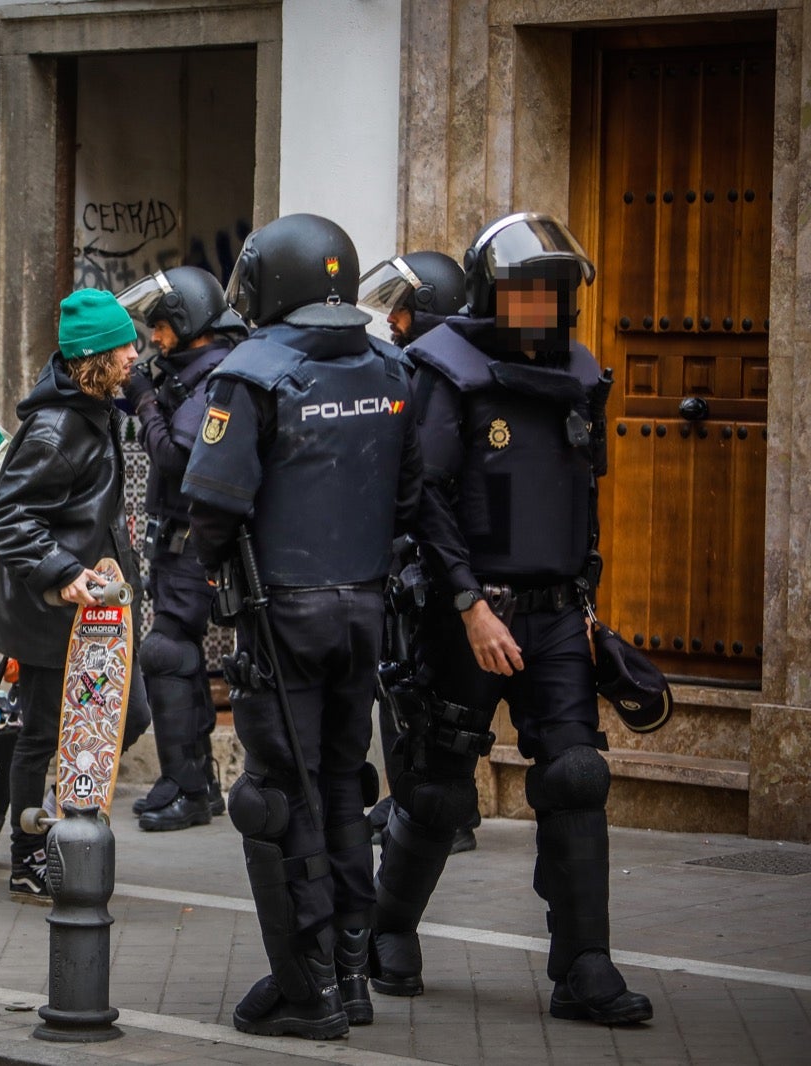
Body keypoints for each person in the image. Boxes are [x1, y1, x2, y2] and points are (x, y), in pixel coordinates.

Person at [369, 212, 652, 1026]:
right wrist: (466, 603)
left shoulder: (579, 373)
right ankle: (388, 928)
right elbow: (423, 496)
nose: (543, 307)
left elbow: (577, 500)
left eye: (556, 293)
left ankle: (585, 969)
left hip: (557, 615)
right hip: (467, 614)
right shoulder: (445, 370)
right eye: (528, 291)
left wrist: (586, 604)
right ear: (495, 295)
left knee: (576, 776)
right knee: (438, 784)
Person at [182, 214, 422, 1038]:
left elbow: (212, 505)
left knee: (276, 799)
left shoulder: (251, 373)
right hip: (365, 610)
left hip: (282, 615)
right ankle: (352, 976)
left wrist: (209, 569)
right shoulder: (393, 364)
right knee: (344, 784)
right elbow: (413, 490)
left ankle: (305, 987)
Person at [0, 287, 151, 903]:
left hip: (95, 608)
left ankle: (64, 823)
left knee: (127, 715)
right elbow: (6, 519)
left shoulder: (95, 406)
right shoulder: (56, 429)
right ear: (94, 357)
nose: (135, 354)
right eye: (124, 346)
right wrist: (61, 570)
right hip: (51, 608)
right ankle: (29, 855)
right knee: (41, 732)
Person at [357, 250, 481, 855]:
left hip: (436, 553)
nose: (393, 322)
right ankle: (408, 795)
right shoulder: (415, 370)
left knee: (434, 689)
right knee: (401, 678)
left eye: (402, 312)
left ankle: (450, 814)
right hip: (409, 549)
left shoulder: (444, 377)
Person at [117, 266, 247, 832]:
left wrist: (145, 401)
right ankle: (191, 781)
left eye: (163, 327)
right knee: (179, 657)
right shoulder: (181, 374)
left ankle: (190, 788)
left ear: (190, 321)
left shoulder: (214, 375)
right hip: (174, 543)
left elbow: (176, 455)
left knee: (168, 652)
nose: (155, 338)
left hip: (198, 542)